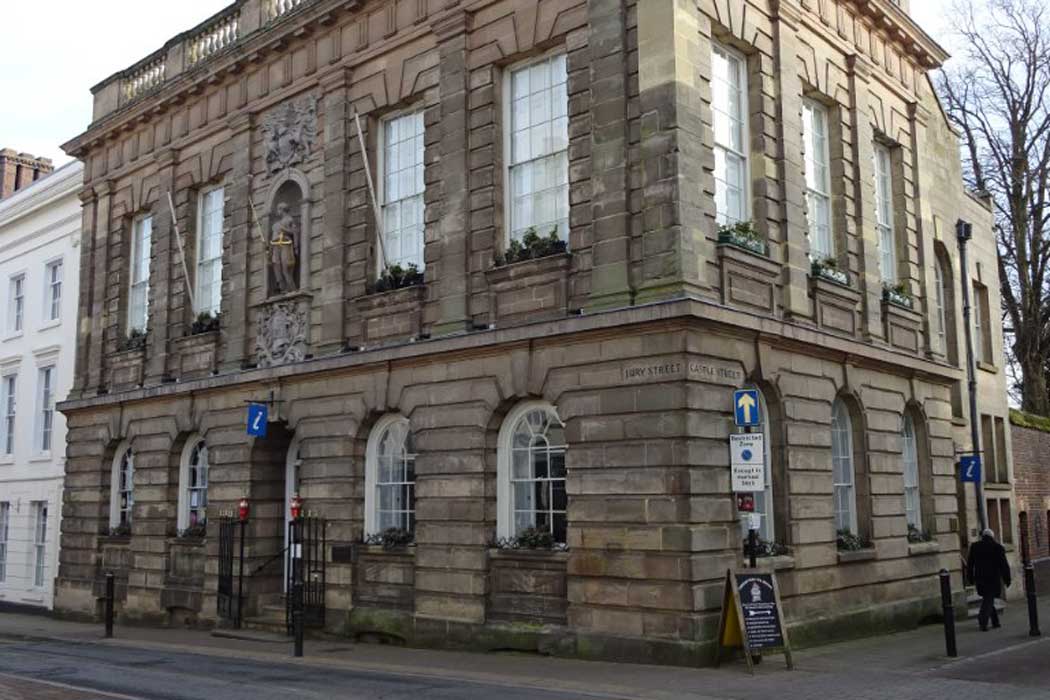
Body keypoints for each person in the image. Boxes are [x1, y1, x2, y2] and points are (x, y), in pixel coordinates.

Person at [966, 528, 1012, 631]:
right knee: (988, 599)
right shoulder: (998, 547)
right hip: (993, 579)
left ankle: (995, 622)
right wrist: (1007, 579)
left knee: (988, 599)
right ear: (992, 536)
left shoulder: (975, 547)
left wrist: (970, 578)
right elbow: (1004, 565)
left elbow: (970, 564)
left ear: (983, 537)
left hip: (980, 578)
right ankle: (983, 620)